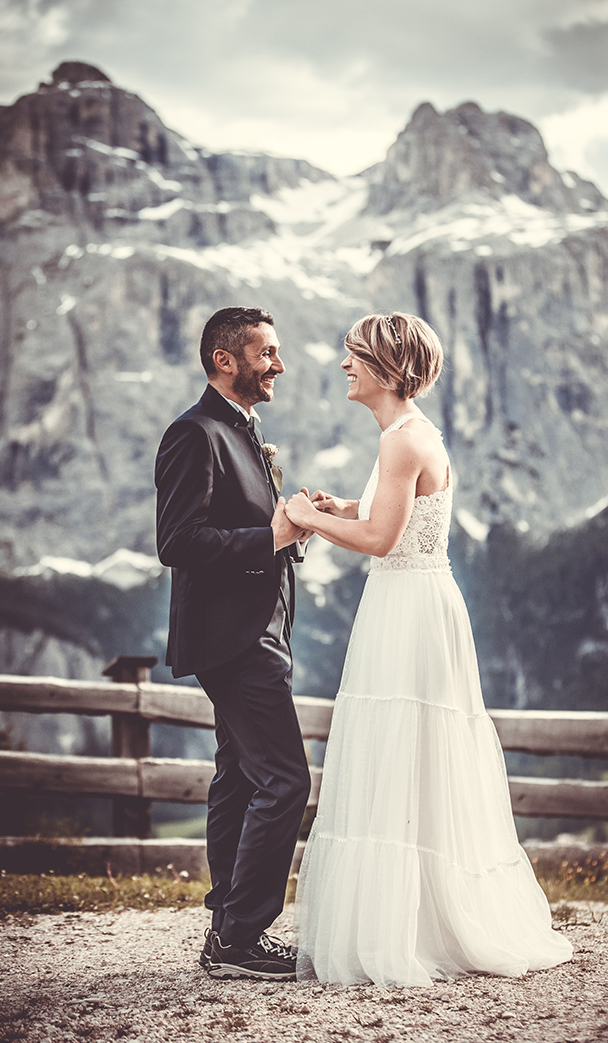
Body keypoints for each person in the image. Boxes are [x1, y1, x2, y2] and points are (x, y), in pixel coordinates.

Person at [285, 312, 573, 986]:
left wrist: (308, 518)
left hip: (407, 606)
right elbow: (396, 510)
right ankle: (421, 916)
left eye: (354, 355)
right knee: (412, 752)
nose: (343, 365)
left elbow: (383, 541)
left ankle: (406, 930)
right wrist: (349, 504)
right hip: (417, 601)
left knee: (399, 747)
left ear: (386, 367)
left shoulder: (401, 440)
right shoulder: (410, 435)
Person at [155, 306, 311, 981]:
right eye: (267, 352)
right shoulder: (194, 433)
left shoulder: (244, 429)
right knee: (287, 779)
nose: (278, 363)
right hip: (234, 639)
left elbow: (248, 526)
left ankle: (228, 924)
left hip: (257, 630)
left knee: (243, 776)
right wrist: (271, 538)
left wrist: (291, 524)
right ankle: (242, 938)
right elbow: (178, 543)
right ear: (225, 359)